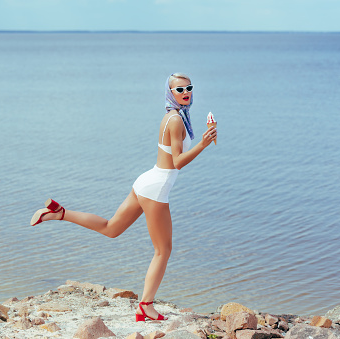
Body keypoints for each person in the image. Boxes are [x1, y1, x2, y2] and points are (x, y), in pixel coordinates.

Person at [30, 73, 217, 321]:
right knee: (163, 250)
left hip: (146, 182)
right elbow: (177, 162)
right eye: (179, 89)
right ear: (169, 93)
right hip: (156, 188)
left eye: (189, 87)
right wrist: (202, 144)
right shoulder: (176, 121)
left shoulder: (171, 116)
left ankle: (59, 213)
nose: (185, 92)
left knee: (111, 228)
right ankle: (145, 306)